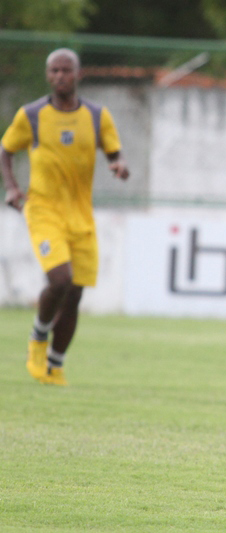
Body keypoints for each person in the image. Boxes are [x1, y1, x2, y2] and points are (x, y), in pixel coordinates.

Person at [1, 48, 129, 386]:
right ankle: (37, 338)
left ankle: (55, 365)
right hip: (42, 210)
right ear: (48, 75)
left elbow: (114, 152)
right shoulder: (31, 115)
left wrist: (118, 166)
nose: (60, 76)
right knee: (60, 280)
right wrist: (13, 188)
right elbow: (5, 150)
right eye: (54, 70)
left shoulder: (97, 116)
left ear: (78, 74)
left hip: (81, 215)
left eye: (66, 70)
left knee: (75, 293)